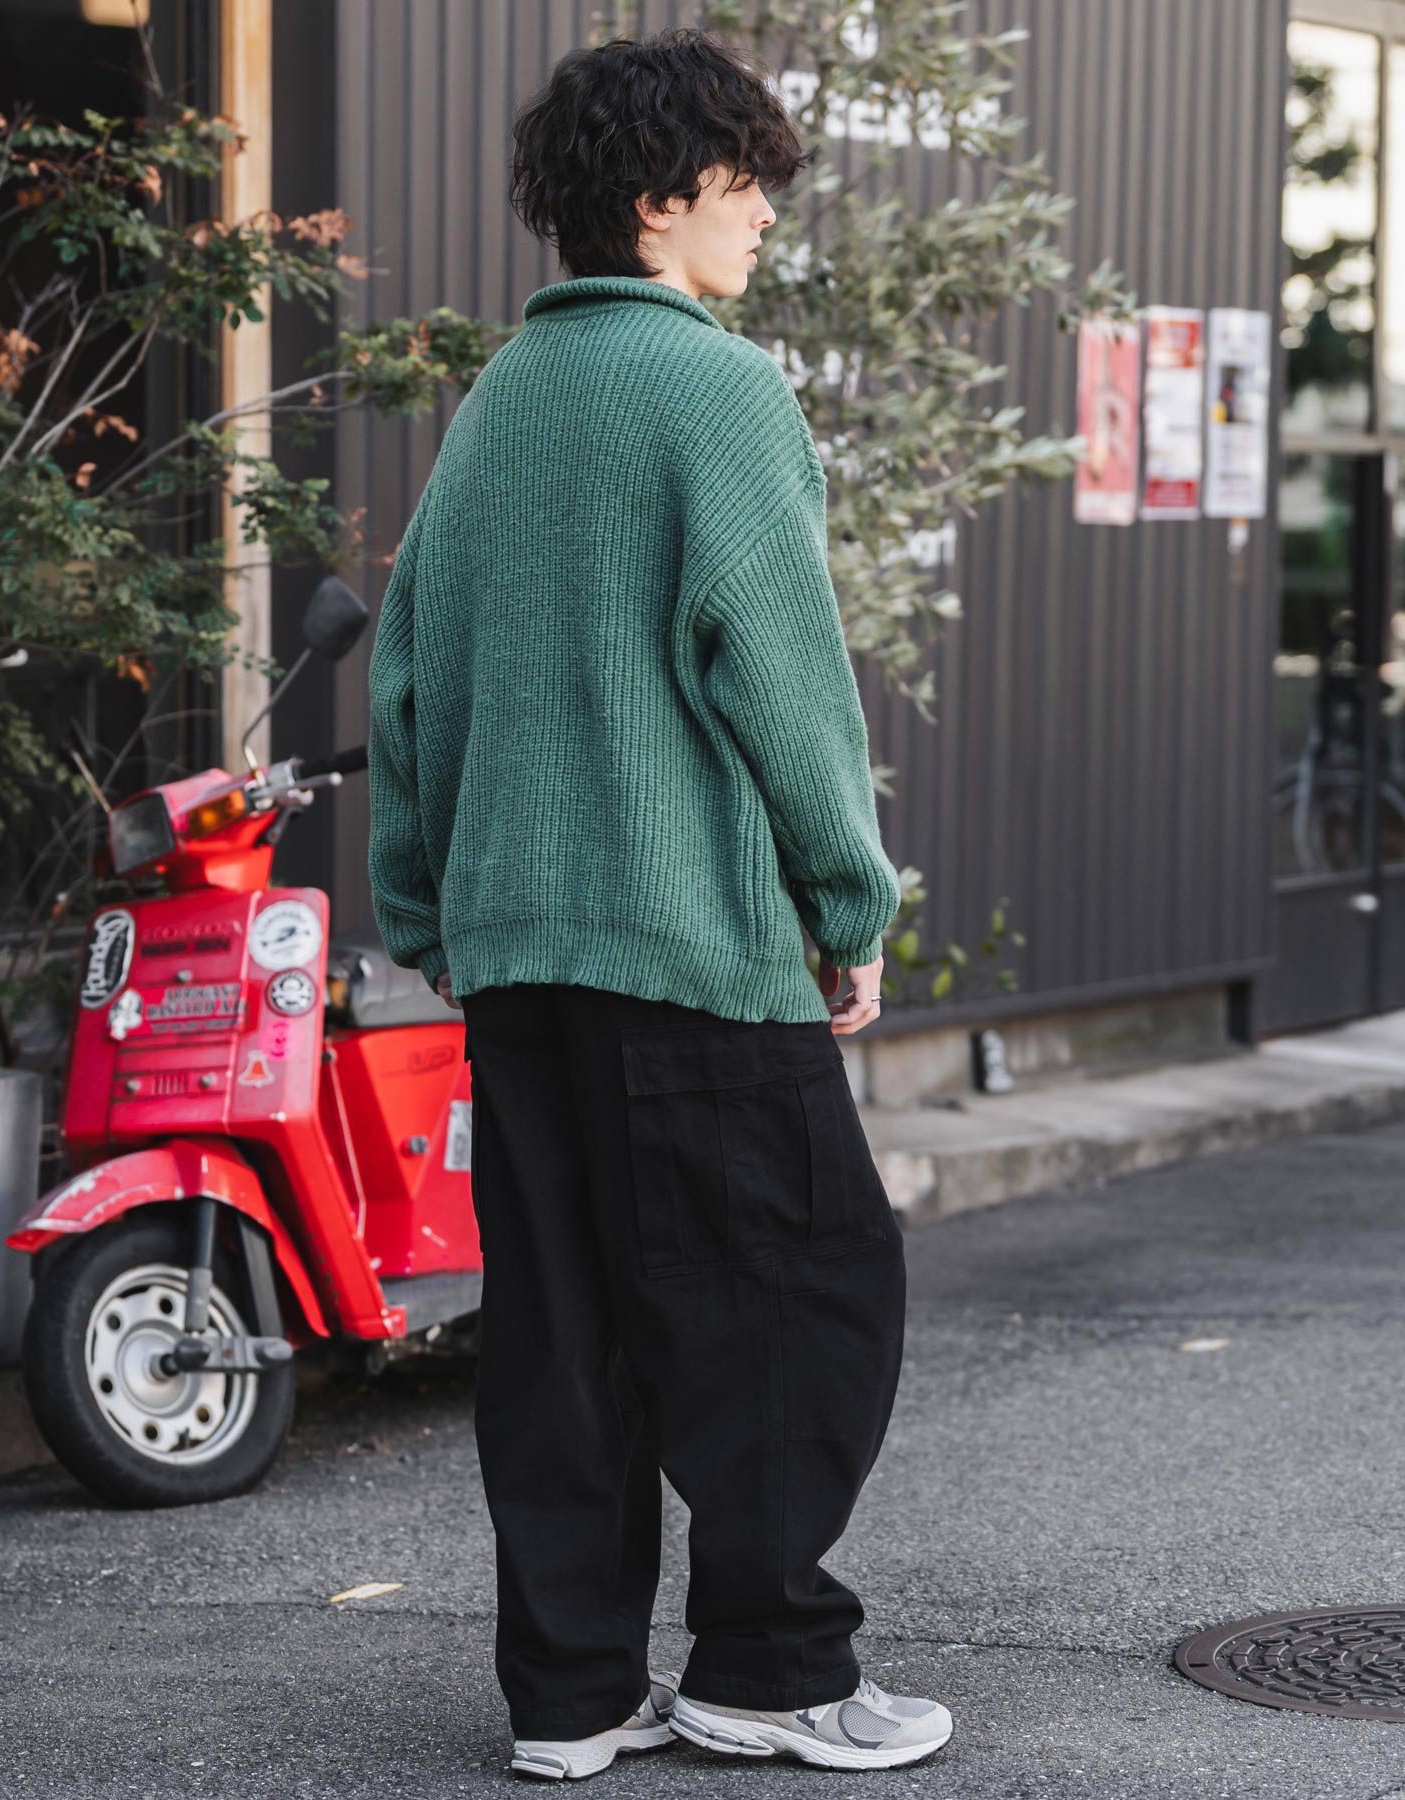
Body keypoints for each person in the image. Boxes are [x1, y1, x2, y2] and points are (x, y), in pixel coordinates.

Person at [367, 23, 952, 1781]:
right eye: (744, 180)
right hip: (688, 943)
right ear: (656, 197)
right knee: (798, 1297)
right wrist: (847, 902)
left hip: (518, 959)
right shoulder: (716, 390)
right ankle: (769, 1669)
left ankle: (570, 1695)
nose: (766, 212)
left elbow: (409, 685)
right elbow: (783, 679)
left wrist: (433, 914)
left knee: (567, 1328)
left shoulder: (500, 404)